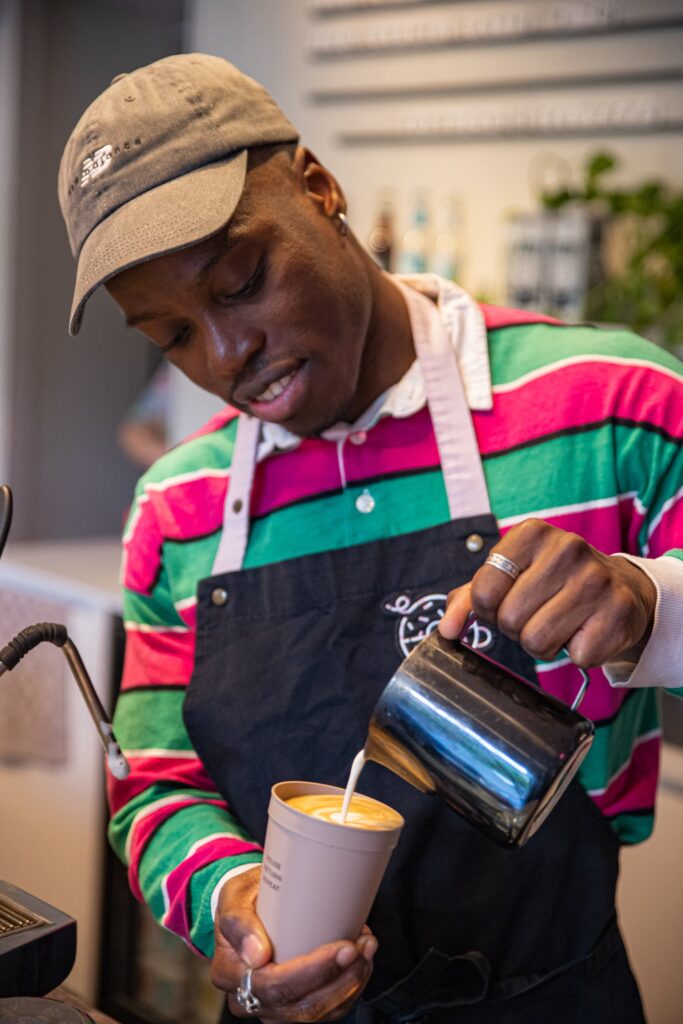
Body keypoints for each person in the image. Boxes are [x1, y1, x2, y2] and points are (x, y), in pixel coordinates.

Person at [58, 54, 683, 1024]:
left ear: (318, 187)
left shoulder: (610, 409)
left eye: (240, 283)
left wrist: (649, 603)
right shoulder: (176, 511)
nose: (225, 358)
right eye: (172, 334)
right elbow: (155, 786)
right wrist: (235, 906)